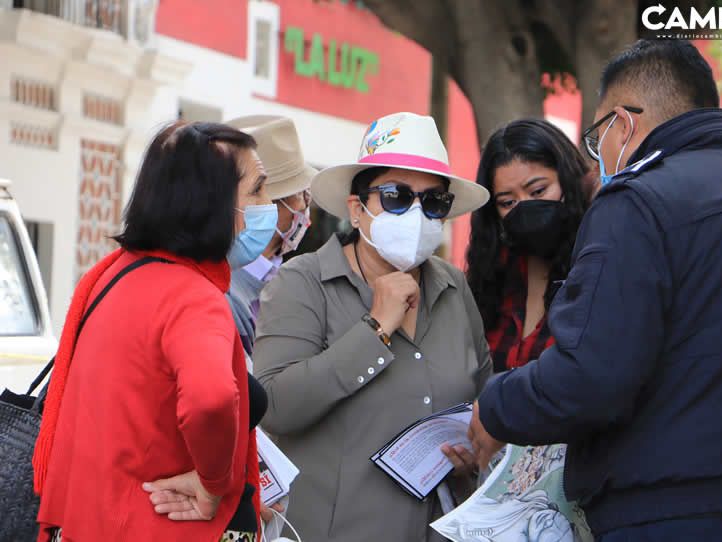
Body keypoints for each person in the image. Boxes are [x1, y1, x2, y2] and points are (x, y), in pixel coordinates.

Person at [469, 39, 722, 542]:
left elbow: (591, 375)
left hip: (665, 516)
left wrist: (496, 407)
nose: (597, 156)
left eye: (596, 136)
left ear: (621, 125)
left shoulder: (637, 201)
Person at [253, 112, 493, 541]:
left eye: (433, 202)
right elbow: (274, 406)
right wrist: (375, 329)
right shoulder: (303, 281)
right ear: (357, 209)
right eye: (397, 196)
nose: (416, 213)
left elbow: (481, 396)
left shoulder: (454, 285)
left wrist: (474, 455)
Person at [32, 121, 273, 541]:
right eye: (256, 190)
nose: (266, 205)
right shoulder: (193, 297)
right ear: (208, 202)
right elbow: (211, 399)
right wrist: (214, 483)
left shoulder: (113, 276)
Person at [466, 118, 590, 373]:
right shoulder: (491, 275)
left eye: (537, 191)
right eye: (508, 202)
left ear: (568, 181)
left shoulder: (596, 264)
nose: (525, 208)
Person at [223, 115, 318, 361]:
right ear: (268, 205)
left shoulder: (288, 278)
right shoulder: (224, 285)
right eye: (299, 195)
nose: (305, 206)